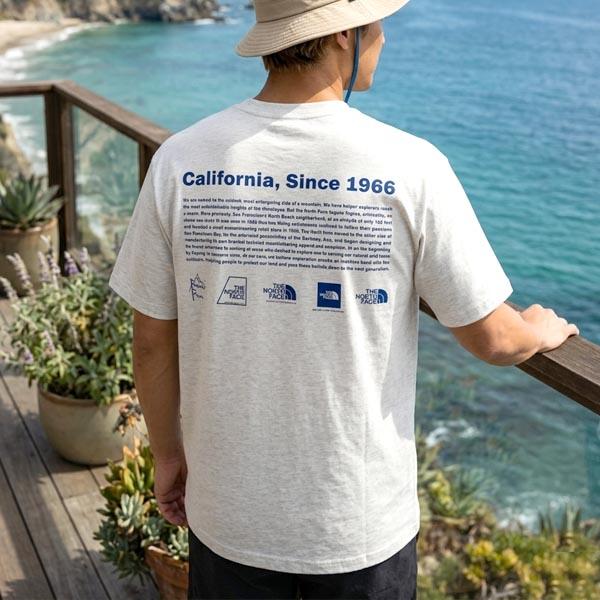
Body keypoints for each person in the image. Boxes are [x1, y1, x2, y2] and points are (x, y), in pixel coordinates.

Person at [108, 0, 580, 598]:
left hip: (227, 511)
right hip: (357, 525)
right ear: (342, 36)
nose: (383, 37)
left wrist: (169, 456)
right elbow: (493, 339)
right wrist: (539, 328)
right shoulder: (411, 166)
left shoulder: (180, 159)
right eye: (377, 23)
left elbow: (151, 339)